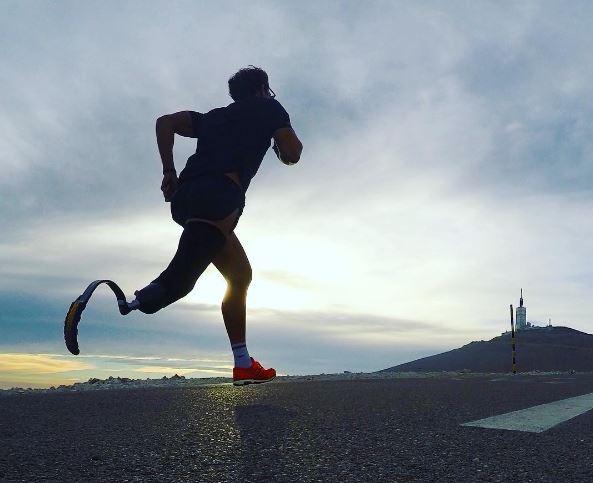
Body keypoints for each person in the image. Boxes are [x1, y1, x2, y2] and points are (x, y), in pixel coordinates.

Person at [74, 66, 302, 386]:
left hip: (185, 199)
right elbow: (293, 153)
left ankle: (243, 363)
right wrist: (278, 142)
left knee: (239, 275)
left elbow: (165, 122)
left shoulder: (213, 117)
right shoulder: (269, 107)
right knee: (182, 277)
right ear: (263, 88)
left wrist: (169, 171)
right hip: (219, 196)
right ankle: (133, 302)